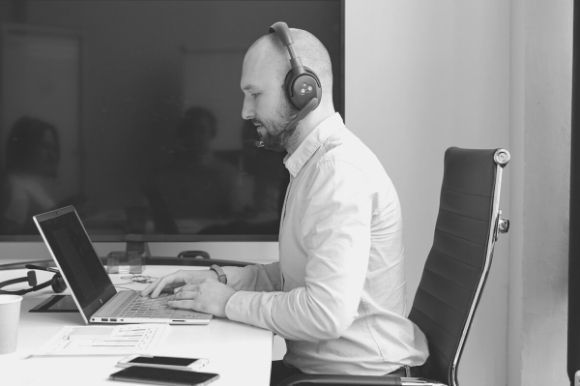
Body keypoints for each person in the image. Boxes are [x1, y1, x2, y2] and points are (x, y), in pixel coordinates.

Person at [141, 23, 429, 383]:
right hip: (322, 374)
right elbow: (300, 276)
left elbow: (325, 313)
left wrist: (226, 302)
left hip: (356, 380)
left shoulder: (338, 174)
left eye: (255, 94)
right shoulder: (312, 164)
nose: (245, 111)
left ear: (302, 90)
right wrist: (215, 280)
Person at [0, 116, 61, 234]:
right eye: (45, 147)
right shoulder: (17, 191)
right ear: (26, 147)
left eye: (54, 148)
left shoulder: (32, 184)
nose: (52, 155)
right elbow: (10, 242)